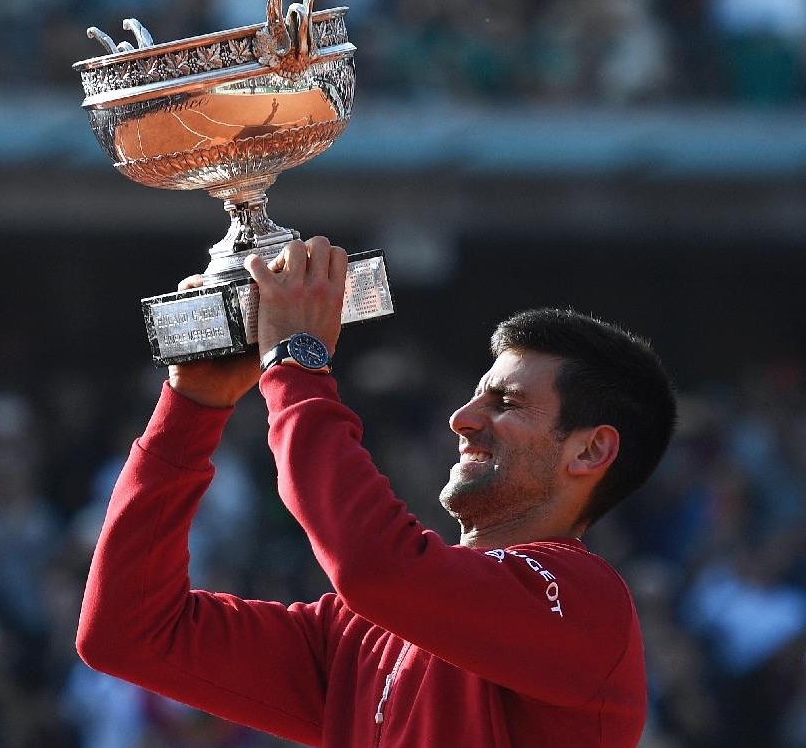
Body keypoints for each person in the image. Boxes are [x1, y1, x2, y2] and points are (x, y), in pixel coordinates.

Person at [77, 236, 677, 747]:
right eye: (477, 394)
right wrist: (193, 404)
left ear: (591, 451)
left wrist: (296, 363)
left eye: (508, 403)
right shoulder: (359, 630)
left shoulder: (585, 601)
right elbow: (128, 632)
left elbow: (373, 565)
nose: (462, 418)